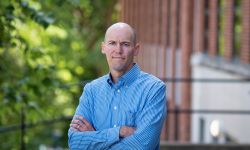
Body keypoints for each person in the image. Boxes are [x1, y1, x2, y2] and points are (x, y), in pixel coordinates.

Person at [68, 22, 167, 150]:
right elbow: (75, 143)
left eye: (125, 44)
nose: (118, 50)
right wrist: (119, 132)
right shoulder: (91, 90)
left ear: (136, 49)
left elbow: (141, 146)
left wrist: (93, 136)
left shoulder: (153, 89)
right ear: (103, 48)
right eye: (112, 43)